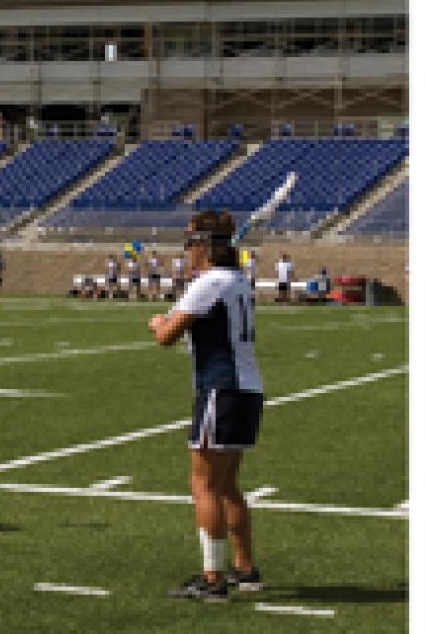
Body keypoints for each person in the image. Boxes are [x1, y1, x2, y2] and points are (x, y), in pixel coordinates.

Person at [149, 210, 263, 601]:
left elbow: (166, 335)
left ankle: (212, 578)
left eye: (192, 243)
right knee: (228, 485)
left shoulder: (210, 283)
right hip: (247, 390)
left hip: (221, 389)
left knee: (203, 484)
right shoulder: (238, 281)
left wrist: (157, 323)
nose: (189, 251)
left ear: (207, 246)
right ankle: (245, 569)